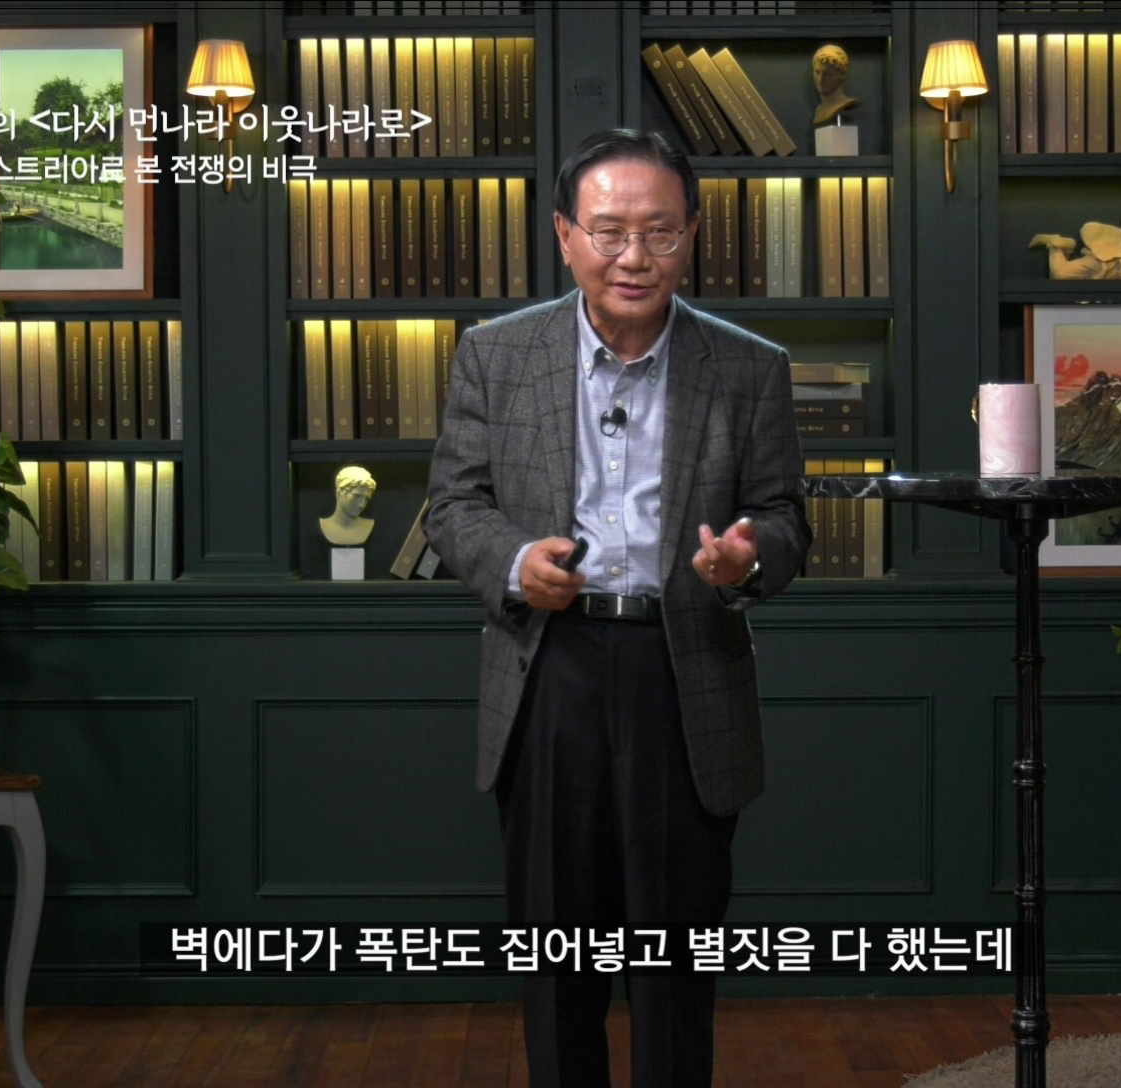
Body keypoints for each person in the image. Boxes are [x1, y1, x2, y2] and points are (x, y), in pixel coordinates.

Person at [424, 129, 810, 1087]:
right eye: (609, 232)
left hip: (686, 669)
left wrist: (747, 557)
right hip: (549, 666)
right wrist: (516, 562)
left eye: (660, 233)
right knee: (558, 958)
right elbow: (453, 506)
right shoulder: (496, 354)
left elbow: (785, 518)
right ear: (566, 236)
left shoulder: (748, 366)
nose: (634, 257)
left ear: (692, 235)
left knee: (676, 965)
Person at [317, 464, 378, 546]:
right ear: (339, 494)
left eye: (366, 499)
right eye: (356, 496)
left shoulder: (370, 526)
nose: (361, 504)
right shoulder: (323, 525)